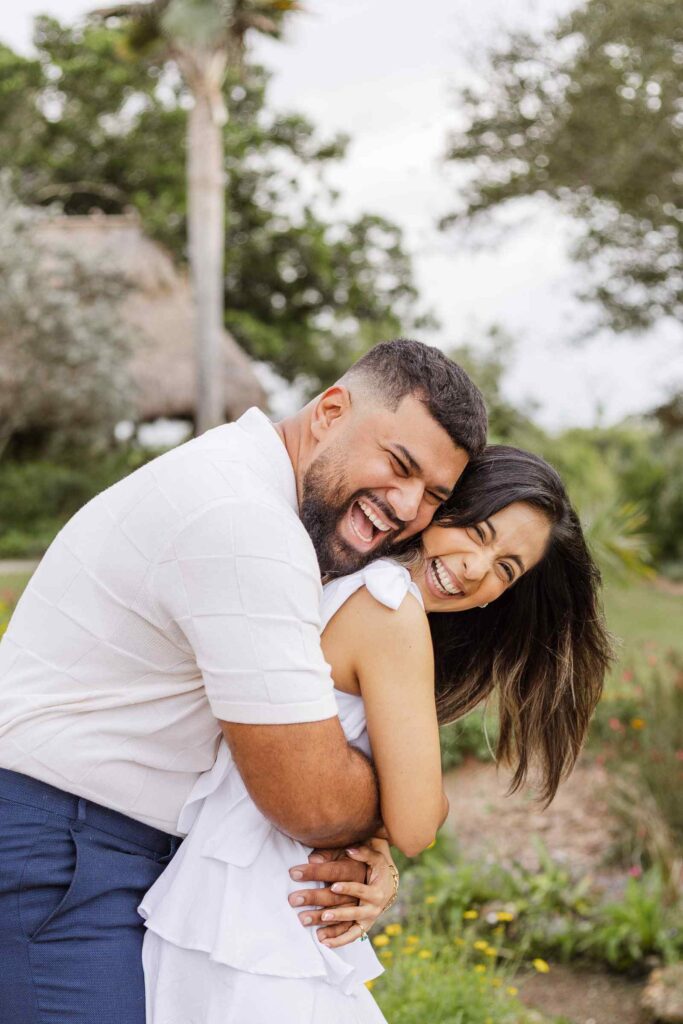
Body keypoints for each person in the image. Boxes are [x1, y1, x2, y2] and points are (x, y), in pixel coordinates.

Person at [0, 339, 487, 1024]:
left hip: (103, 847)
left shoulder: (256, 492)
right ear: (330, 412)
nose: (408, 506)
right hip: (60, 851)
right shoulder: (246, 523)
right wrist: (398, 810)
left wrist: (366, 844)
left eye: (433, 495)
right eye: (399, 464)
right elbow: (309, 798)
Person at [138, 444, 612, 1023]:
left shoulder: (351, 583)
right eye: (478, 532)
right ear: (445, 507)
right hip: (262, 918)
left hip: (242, 898)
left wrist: (377, 850)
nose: (476, 568)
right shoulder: (390, 611)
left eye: (505, 569)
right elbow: (417, 824)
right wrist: (412, 814)